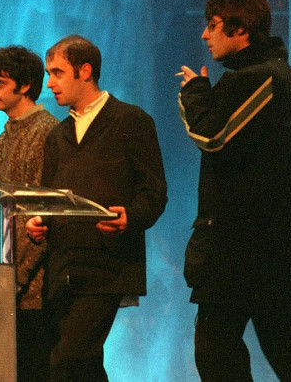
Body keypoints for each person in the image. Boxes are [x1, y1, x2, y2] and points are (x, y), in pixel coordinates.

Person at [177, 0, 291, 381]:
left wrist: (195, 92)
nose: (204, 34)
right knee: (286, 346)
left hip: (243, 251)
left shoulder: (256, 80)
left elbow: (213, 137)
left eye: (212, 25)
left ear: (240, 29)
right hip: (283, 249)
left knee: (216, 346)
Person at [26, 35, 168, 381]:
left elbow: (154, 191)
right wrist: (40, 221)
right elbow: (50, 198)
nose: (50, 83)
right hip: (64, 268)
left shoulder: (131, 121)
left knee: (66, 362)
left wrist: (131, 217)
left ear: (85, 70)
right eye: (49, 73)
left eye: (57, 72)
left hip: (107, 265)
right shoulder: (57, 135)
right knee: (85, 367)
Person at [0, 45, 59, 382]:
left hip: (34, 288)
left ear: (25, 85)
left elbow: (42, 213)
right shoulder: (2, 140)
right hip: (8, 285)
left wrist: (16, 279)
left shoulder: (47, 132)